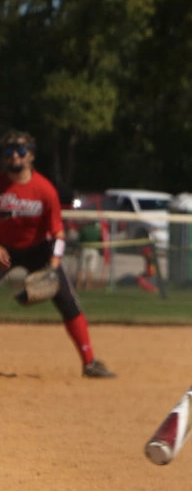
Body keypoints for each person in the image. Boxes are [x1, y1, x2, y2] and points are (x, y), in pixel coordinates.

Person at [0, 130, 116, 378]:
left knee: (68, 301)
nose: (14, 157)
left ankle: (89, 362)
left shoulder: (44, 189)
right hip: (4, 249)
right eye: (9, 152)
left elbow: (58, 234)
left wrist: (53, 266)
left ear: (30, 155)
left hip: (39, 250)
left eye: (21, 151)